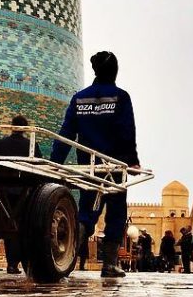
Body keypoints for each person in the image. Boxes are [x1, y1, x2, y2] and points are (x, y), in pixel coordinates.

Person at [50, 51, 139, 278]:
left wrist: (55, 163)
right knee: (116, 213)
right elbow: (126, 131)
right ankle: (109, 264)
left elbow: (66, 134)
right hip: (114, 166)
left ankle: (66, 252)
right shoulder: (120, 97)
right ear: (114, 71)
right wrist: (133, 160)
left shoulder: (79, 98)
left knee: (87, 211)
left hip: (89, 167)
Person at [0, 115, 42, 273]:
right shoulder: (31, 145)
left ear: (12, 127)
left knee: (8, 225)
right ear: (25, 129)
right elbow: (39, 166)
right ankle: (21, 262)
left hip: (4, 192)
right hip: (24, 193)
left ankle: (12, 263)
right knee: (23, 226)